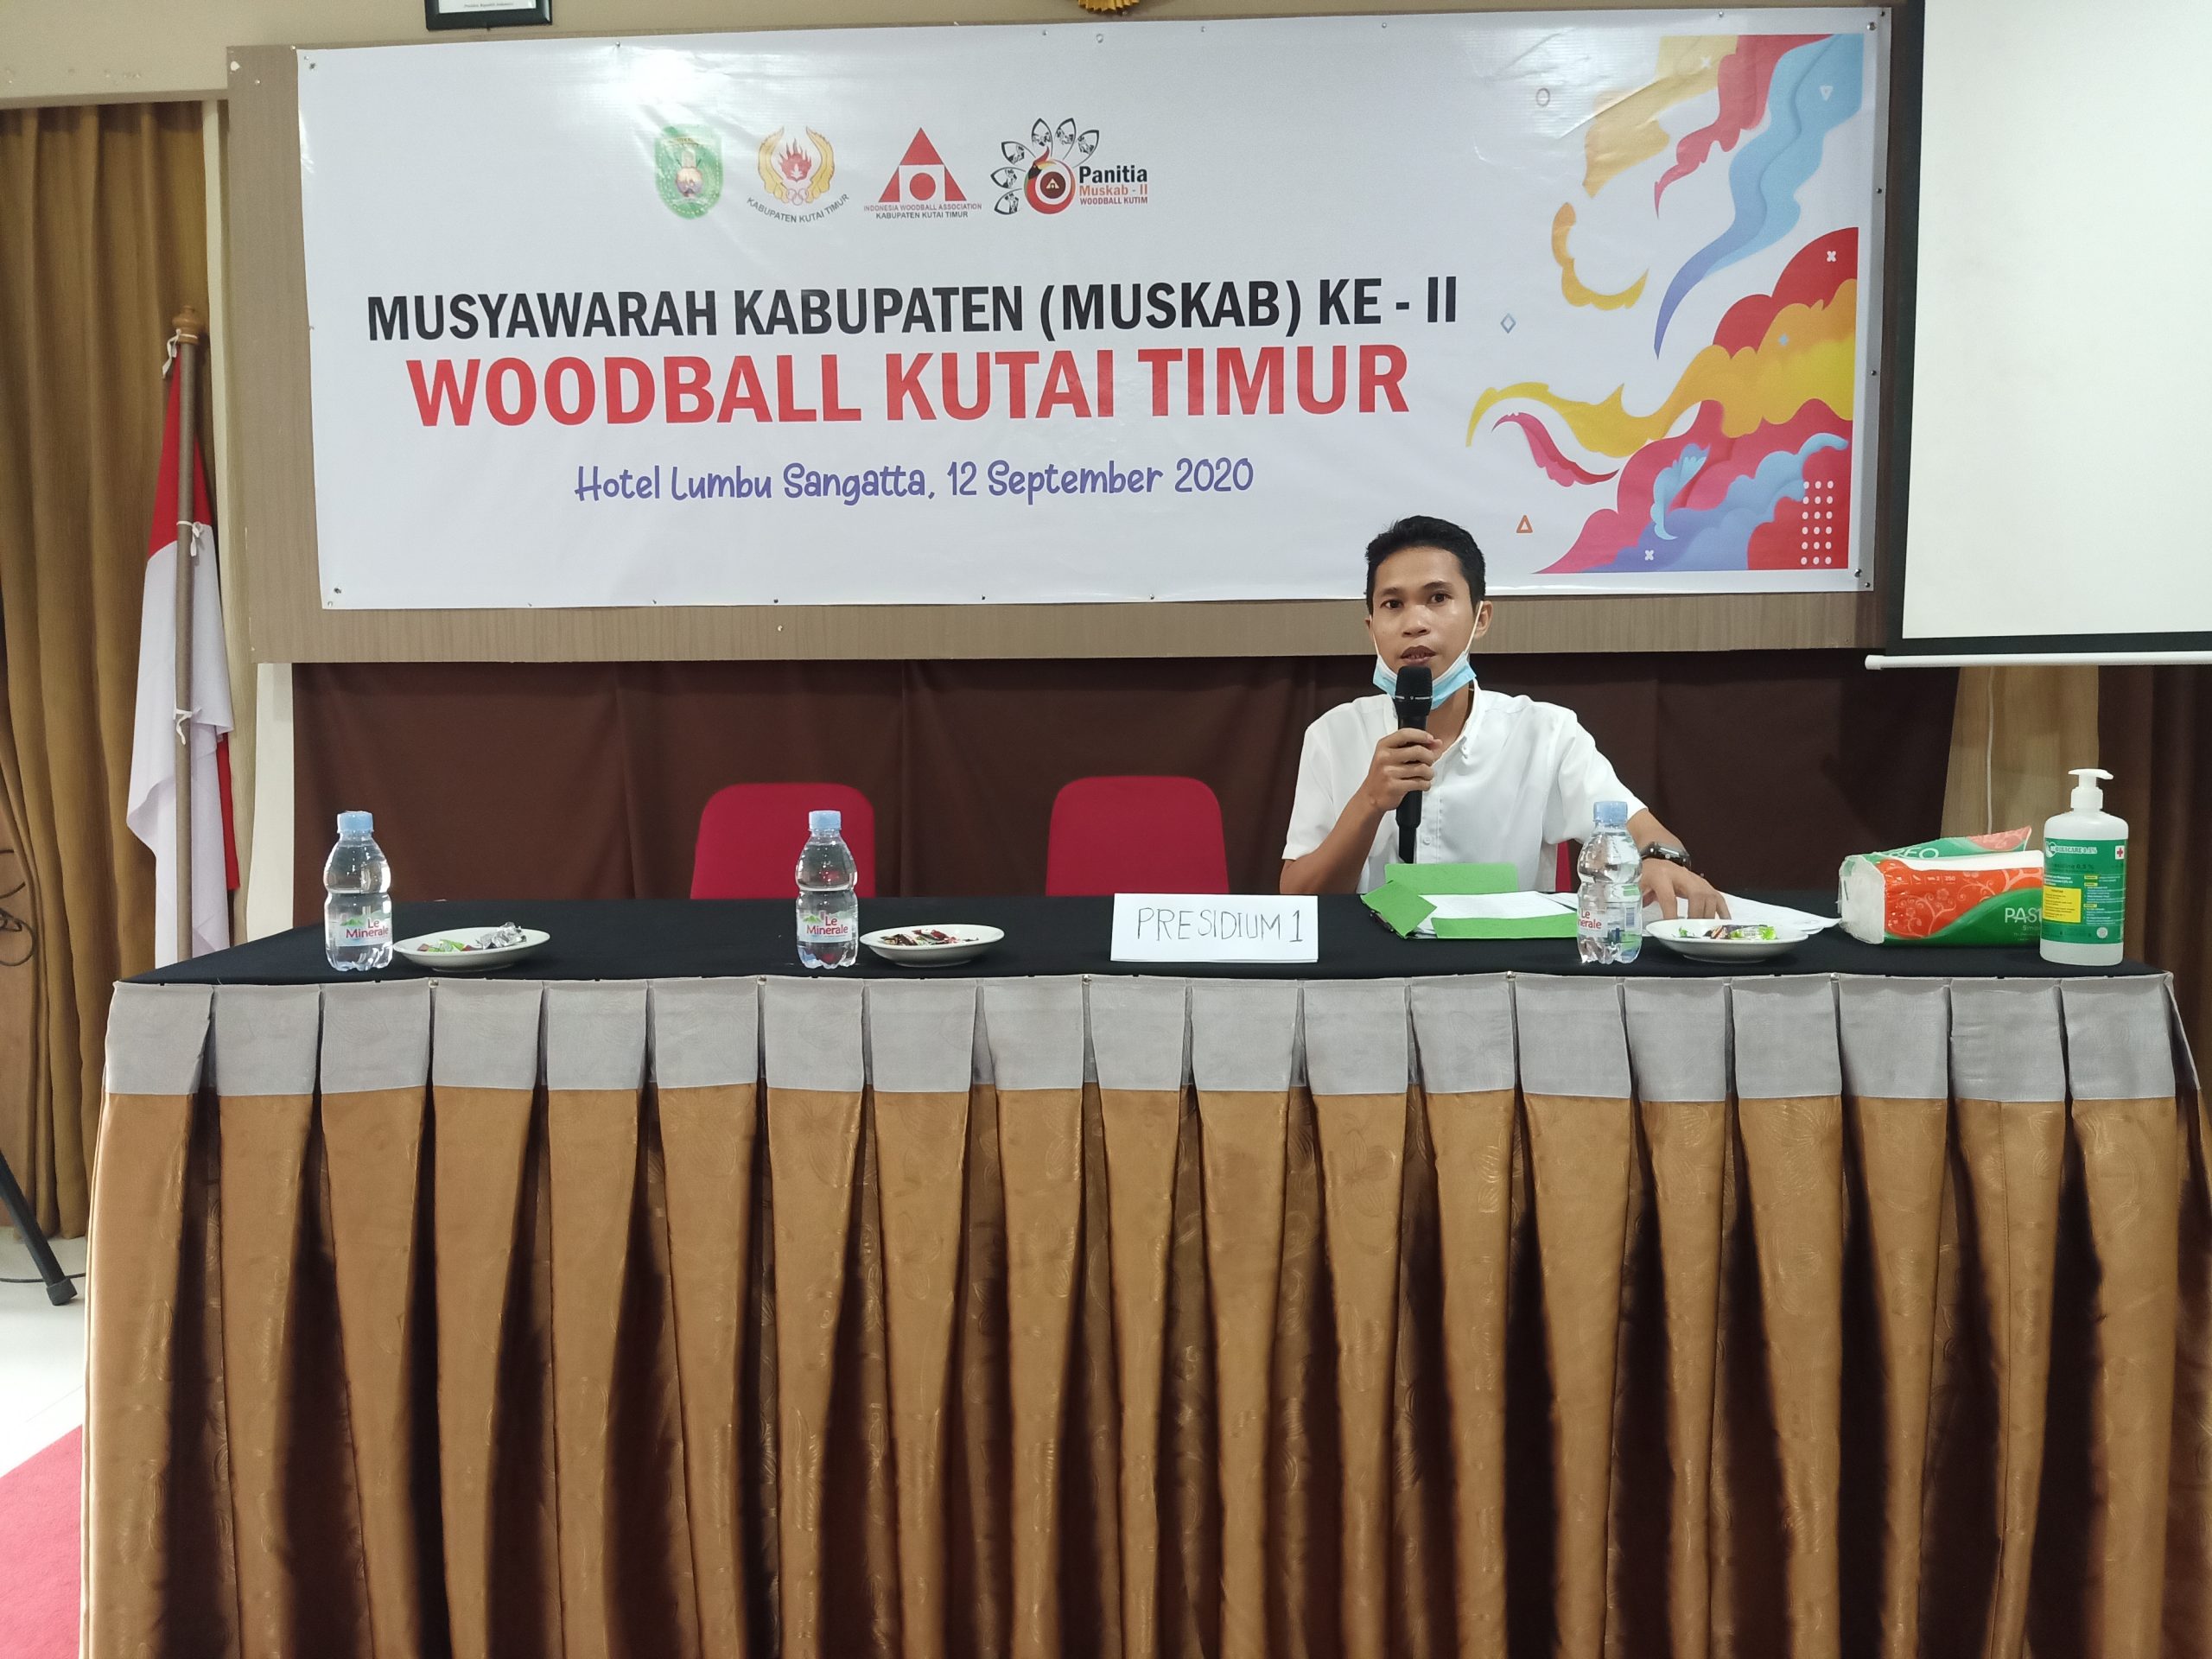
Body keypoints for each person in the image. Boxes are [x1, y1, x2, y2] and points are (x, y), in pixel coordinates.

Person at [1281, 515, 1727, 918]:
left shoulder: (1544, 733)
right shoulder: (1333, 735)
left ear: (1481, 618)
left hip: (1504, 970)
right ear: (1371, 628)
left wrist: (1658, 860)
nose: (1414, 622)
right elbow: (1297, 900)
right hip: (1373, 969)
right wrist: (1369, 803)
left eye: (1438, 597)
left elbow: (1646, 833)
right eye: (1393, 605)